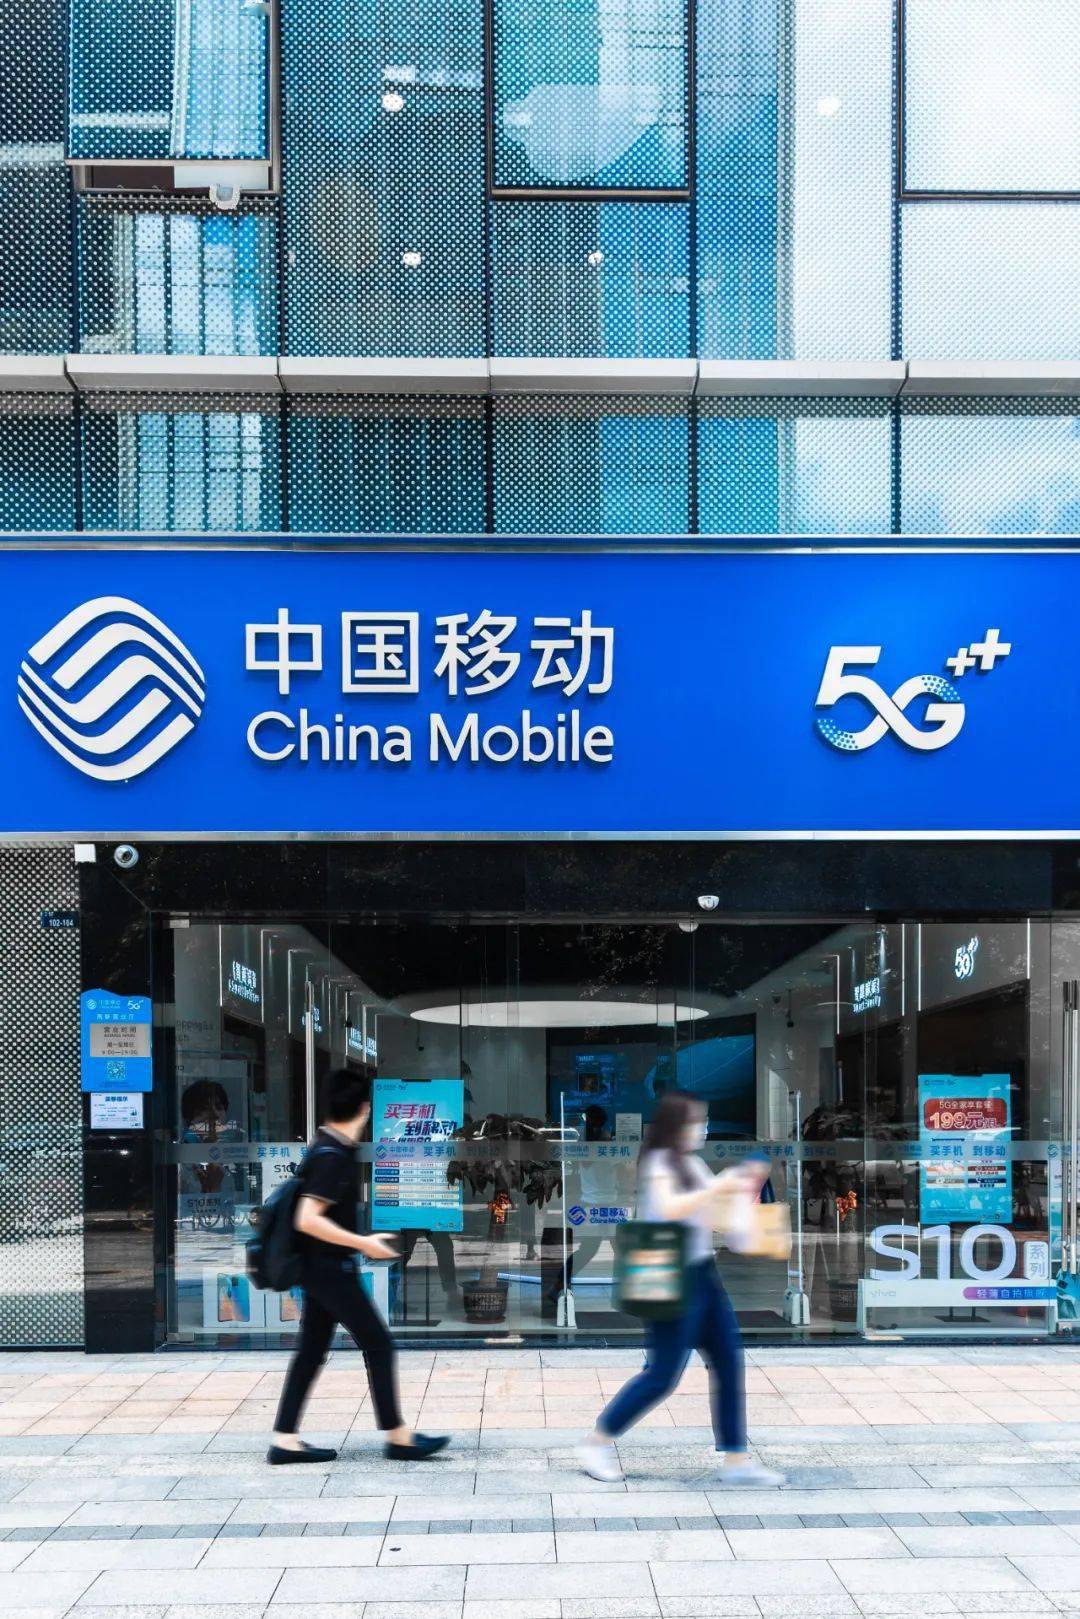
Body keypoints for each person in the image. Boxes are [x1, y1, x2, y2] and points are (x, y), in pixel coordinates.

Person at [575, 1091, 786, 1487]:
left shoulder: (694, 1164)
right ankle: (597, 1442)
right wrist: (722, 1185)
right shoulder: (659, 1164)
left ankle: (736, 1459)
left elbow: (714, 1215)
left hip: (705, 1275)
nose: (704, 1128)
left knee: (728, 1359)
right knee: (662, 1374)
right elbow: (671, 1207)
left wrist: (744, 1193)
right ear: (677, 1125)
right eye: (697, 1121)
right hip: (671, 1279)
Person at [268, 1068, 450, 1465]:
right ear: (365, 1109)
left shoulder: (326, 1146)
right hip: (329, 1270)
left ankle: (284, 1438)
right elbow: (307, 1219)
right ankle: (398, 1437)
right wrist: (363, 1243)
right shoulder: (331, 1156)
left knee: (311, 1350)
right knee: (378, 1344)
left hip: (319, 1269)